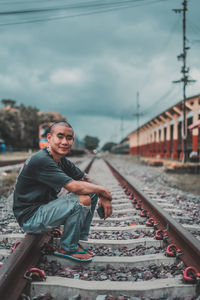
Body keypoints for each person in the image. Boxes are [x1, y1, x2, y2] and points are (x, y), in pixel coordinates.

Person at [13, 121, 112, 262]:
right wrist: (104, 191)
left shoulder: (60, 160)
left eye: (69, 138)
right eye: (60, 137)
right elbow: (74, 187)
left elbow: (84, 178)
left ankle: (75, 239)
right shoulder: (41, 160)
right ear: (49, 138)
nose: (65, 142)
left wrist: (103, 195)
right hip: (30, 218)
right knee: (82, 199)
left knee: (91, 192)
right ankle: (67, 248)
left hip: (43, 210)